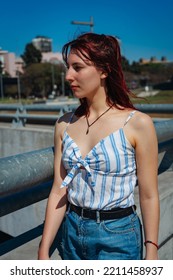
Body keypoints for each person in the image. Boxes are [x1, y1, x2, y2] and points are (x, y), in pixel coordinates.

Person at [38, 33, 160, 260]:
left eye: (77, 67)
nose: (68, 76)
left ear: (104, 71)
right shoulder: (64, 124)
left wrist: (151, 249)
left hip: (118, 235)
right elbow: (59, 189)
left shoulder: (137, 123)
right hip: (71, 232)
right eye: (67, 67)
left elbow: (149, 195)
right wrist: (44, 249)